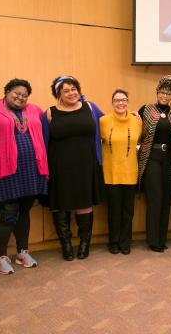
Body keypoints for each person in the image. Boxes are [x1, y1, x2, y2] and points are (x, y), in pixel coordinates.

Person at [0, 79, 48, 274]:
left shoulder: (34, 109)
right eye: (16, 93)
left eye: (24, 95)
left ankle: (22, 252)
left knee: (24, 212)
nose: (20, 97)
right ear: (7, 92)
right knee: (7, 213)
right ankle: (1, 257)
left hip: (31, 170)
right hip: (5, 171)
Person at [44, 76, 103, 261]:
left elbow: (109, 122)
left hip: (86, 164)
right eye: (66, 90)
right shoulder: (49, 112)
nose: (72, 93)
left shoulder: (90, 107)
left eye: (74, 89)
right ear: (58, 94)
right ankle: (66, 245)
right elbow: (42, 141)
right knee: (61, 205)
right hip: (59, 167)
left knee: (84, 204)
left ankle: (84, 244)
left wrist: (131, 115)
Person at [138, 76, 171, 253]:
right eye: (162, 92)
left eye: (168, 93)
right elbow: (135, 128)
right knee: (155, 198)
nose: (164, 95)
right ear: (157, 92)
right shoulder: (146, 109)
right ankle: (153, 240)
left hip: (168, 158)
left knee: (166, 200)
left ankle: (162, 238)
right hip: (151, 157)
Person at [100, 89, 142, 255]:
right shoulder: (103, 121)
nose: (120, 103)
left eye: (123, 100)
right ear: (112, 103)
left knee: (128, 211)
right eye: (117, 100)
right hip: (111, 172)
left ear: (127, 102)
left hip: (130, 172)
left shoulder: (137, 121)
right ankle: (113, 241)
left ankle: (125, 242)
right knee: (113, 211)